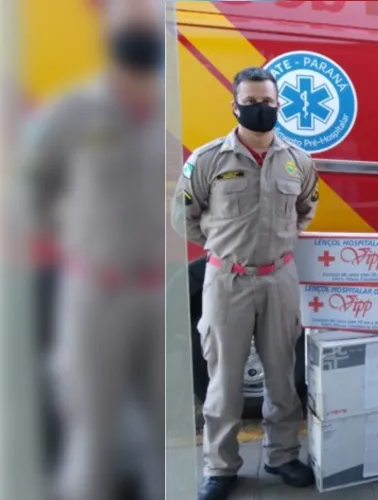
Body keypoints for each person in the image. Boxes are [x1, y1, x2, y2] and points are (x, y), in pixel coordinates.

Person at [21, 0, 165, 499]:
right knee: (93, 438)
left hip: (159, 297)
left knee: (163, 441)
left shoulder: (172, 109)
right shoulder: (71, 110)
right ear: (109, 29)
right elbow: (31, 188)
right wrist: (79, 242)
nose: (141, 34)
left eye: (149, 24)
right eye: (132, 24)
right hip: (95, 295)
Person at [171, 67, 319, 500]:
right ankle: (220, 468)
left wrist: (279, 244)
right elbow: (184, 216)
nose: (260, 109)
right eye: (251, 102)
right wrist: (223, 247)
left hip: (280, 278)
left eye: (268, 103)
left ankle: (283, 456)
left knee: (282, 376)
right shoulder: (209, 159)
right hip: (227, 279)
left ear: (279, 105)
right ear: (235, 105)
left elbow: (306, 208)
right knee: (224, 379)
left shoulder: (298, 160)